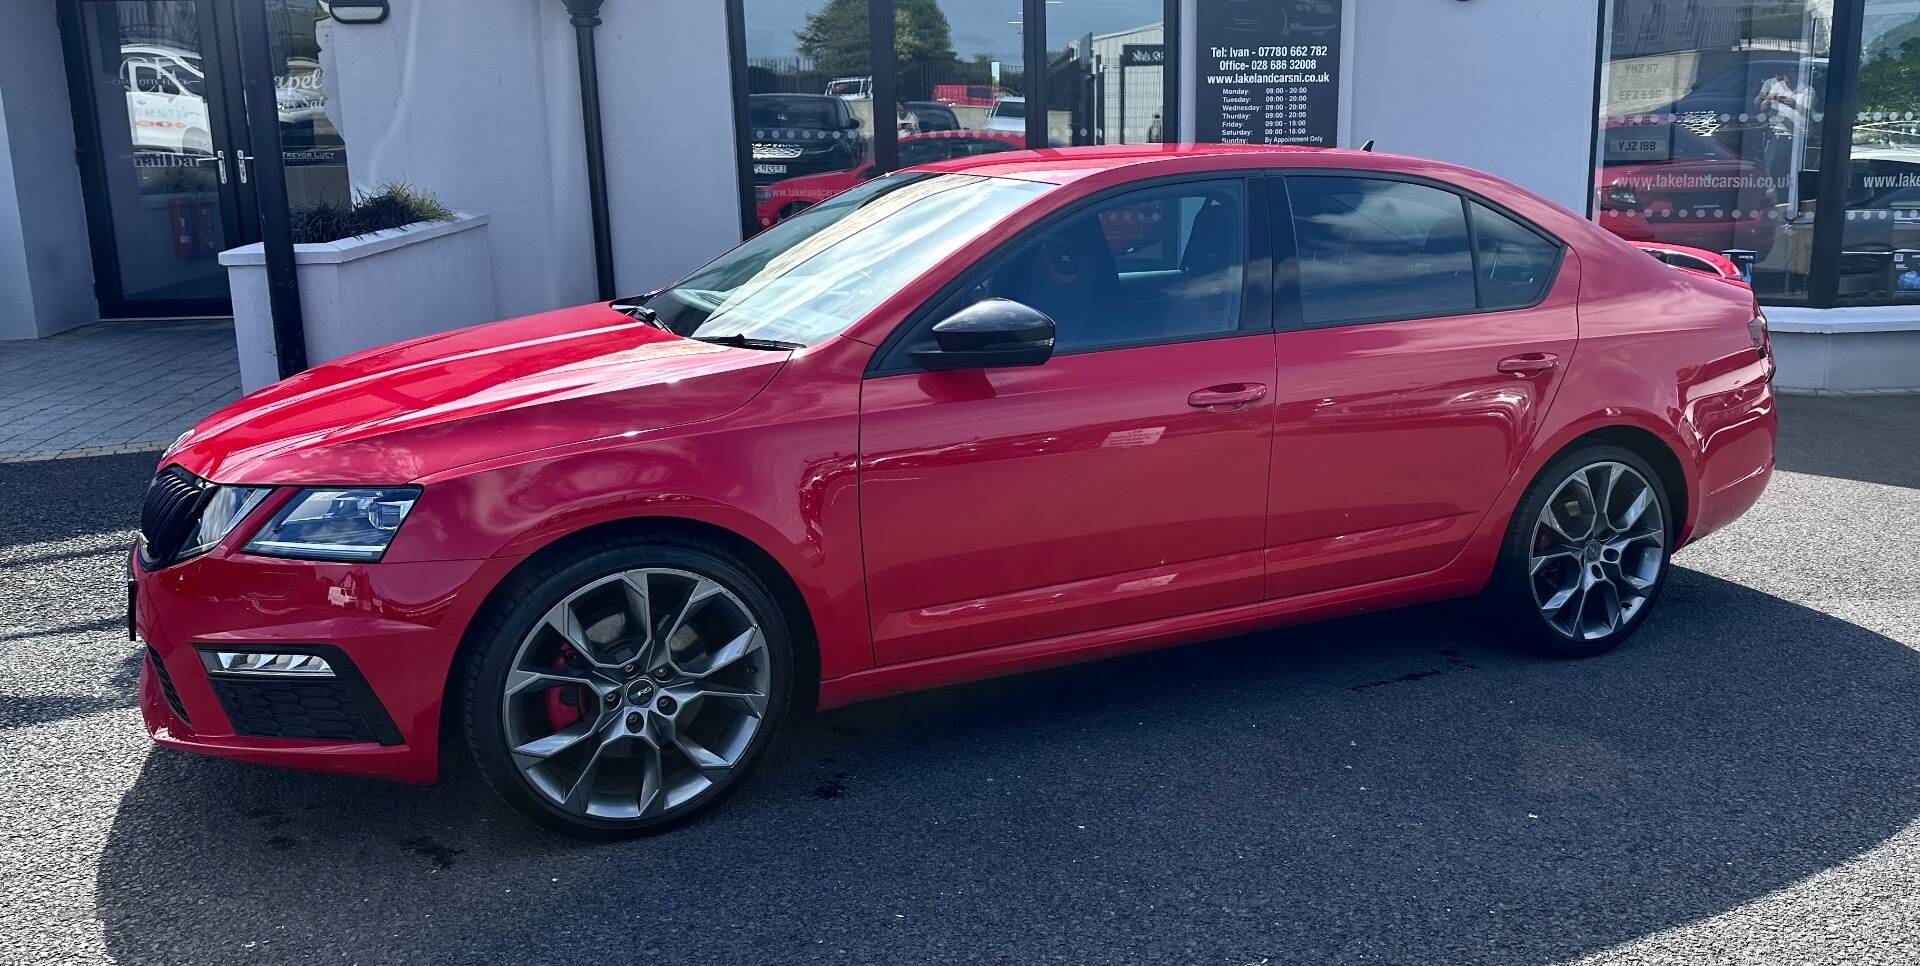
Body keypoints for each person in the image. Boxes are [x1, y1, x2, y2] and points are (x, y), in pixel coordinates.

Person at [1756, 66, 1811, 198]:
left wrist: (1793, 104)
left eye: (1792, 81)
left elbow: (1809, 112)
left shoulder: (1808, 91)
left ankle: (1792, 196)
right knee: (1772, 168)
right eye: (1787, 81)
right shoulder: (1777, 86)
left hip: (1798, 137)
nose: (1789, 84)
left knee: (1793, 170)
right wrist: (1768, 102)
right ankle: (1775, 196)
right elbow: (1762, 106)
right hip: (1778, 134)